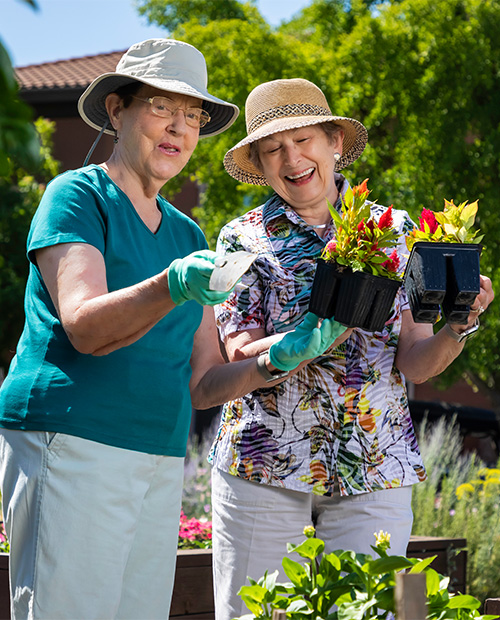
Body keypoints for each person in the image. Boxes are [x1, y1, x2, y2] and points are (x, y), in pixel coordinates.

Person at [0, 44, 344, 620]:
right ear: (117, 110)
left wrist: (279, 357)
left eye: (193, 117)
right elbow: (83, 326)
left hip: (158, 452)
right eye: (162, 107)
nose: (179, 128)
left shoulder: (188, 234)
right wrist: (171, 286)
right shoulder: (77, 196)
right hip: (73, 437)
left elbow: (204, 380)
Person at [209, 77, 495, 620]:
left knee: (376, 611)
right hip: (264, 461)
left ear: (334, 144)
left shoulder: (395, 230)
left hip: (374, 461)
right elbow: (238, 350)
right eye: (273, 149)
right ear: (262, 165)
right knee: (255, 614)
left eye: (303, 140)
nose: (291, 158)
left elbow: (414, 357)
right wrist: (310, 336)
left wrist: (459, 327)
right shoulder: (239, 238)